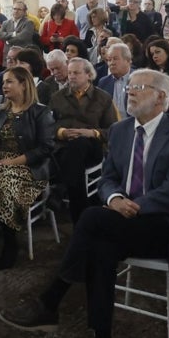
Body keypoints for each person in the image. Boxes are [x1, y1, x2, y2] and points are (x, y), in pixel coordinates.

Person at [0, 69, 169, 338]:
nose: (130, 92)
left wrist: (132, 206)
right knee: (98, 251)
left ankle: (51, 301)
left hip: (161, 225)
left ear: (162, 97)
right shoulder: (121, 131)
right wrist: (116, 197)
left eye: (139, 87)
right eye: (130, 87)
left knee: (92, 220)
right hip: (120, 220)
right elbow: (107, 178)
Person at [0, 67, 55, 269]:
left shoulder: (41, 112)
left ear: (23, 84)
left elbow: (45, 148)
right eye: (4, 82)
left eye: (9, 82)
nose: (4, 86)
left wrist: (13, 162)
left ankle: (9, 244)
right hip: (0, 164)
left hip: (29, 168)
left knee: (7, 183)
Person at [48, 57, 120, 222]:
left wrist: (92, 133)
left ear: (89, 75)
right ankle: (80, 220)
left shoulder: (103, 98)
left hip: (92, 148)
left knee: (79, 144)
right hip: (63, 147)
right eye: (70, 72)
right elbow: (47, 128)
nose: (71, 76)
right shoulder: (57, 98)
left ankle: (60, 187)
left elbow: (114, 131)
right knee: (73, 155)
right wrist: (62, 132)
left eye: (76, 73)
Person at [96, 42, 132, 116]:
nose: (111, 63)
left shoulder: (138, 79)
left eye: (115, 59)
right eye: (109, 60)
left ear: (128, 60)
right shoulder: (103, 82)